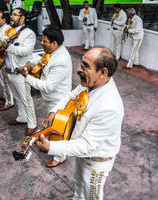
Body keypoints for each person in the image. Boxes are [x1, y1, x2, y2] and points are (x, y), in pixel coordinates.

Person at [35, 47, 124, 200]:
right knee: (78, 186)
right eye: (81, 64)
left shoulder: (109, 106)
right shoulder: (91, 84)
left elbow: (87, 145)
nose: (78, 69)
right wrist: (54, 112)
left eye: (85, 66)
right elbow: (70, 96)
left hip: (96, 162)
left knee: (92, 195)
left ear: (102, 73)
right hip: (83, 156)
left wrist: (52, 147)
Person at [18, 26, 72, 168]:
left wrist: (27, 77)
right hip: (51, 98)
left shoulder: (61, 61)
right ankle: (50, 143)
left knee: (58, 129)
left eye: (45, 41)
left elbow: (48, 86)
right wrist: (32, 62)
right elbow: (43, 60)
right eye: (42, 39)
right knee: (51, 125)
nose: (41, 43)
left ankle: (60, 156)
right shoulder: (53, 51)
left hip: (58, 100)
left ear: (54, 43)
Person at [0, 8, 37, 135]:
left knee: (26, 99)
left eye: (15, 15)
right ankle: (21, 117)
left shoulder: (28, 33)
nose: (12, 17)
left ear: (22, 18)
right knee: (17, 98)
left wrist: (9, 47)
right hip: (8, 71)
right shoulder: (8, 31)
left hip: (21, 73)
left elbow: (26, 51)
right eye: (12, 14)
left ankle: (32, 123)